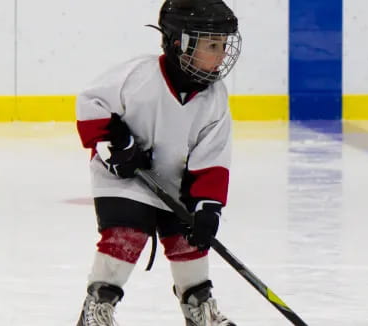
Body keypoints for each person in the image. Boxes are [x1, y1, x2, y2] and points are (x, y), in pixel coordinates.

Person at [74, 0, 242, 325]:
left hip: (175, 183)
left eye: (223, 45)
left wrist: (208, 207)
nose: (222, 54)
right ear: (181, 43)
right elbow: (90, 102)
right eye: (212, 44)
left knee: (189, 238)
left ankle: (198, 305)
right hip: (123, 178)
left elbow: (213, 156)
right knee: (126, 232)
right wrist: (116, 143)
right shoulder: (139, 75)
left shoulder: (215, 98)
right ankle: (98, 305)